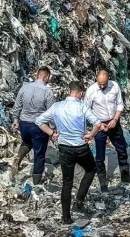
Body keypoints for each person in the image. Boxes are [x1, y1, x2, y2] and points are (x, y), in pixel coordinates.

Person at [36, 81, 103, 225]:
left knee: (67, 182)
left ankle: (66, 218)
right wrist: (90, 135)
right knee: (91, 169)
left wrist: (52, 133)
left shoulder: (57, 106)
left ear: (69, 92)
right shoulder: (82, 107)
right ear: (80, 93)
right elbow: (97, 123)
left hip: (64, 148)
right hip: (80, 148)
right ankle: (79, 199)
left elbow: (39, 121)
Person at [84, 69, 130, 190]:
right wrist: (98, 123)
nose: (103, 86)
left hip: (114, 122)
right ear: (96, 79)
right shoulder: (91, 91)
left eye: (104, 84)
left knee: (122, 148)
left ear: (108, 79)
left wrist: (115, 120)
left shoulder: (115, 86)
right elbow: (86, 110)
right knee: (100, 154)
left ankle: (125, 176)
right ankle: (103, 182)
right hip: (99, 125)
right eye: (100, 84)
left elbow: (120, 104)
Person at [10, 67, 55, 184]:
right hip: (38, 127)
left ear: (37, 75)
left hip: (24, 124)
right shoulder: (47, 92)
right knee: (39, 154)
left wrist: (15, 121)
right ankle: (36, 183)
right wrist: (53, 130)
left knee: (27, 142)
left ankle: (18, 158)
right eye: (48, 77)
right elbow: (51, 113)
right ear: (46, 77)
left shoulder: (24, 87)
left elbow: (17, 107)